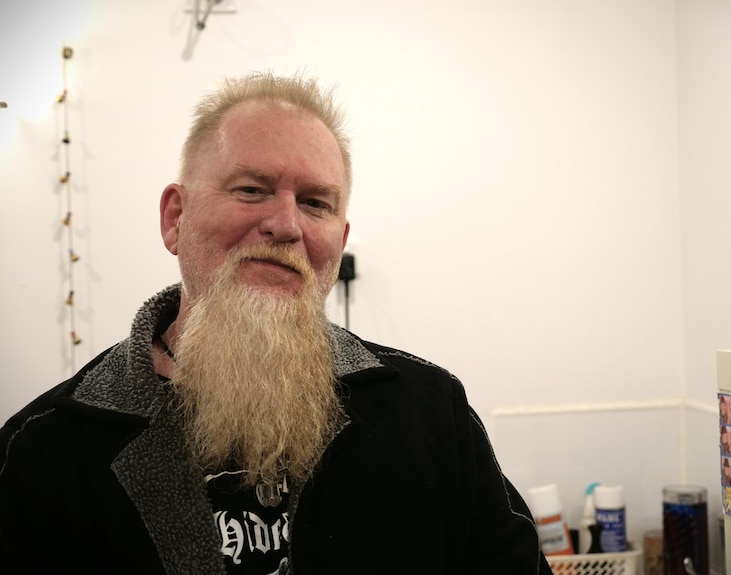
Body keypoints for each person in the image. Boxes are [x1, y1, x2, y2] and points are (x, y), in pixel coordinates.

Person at [0, 72, 552, 575]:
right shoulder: (44, 450)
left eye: (315, 202)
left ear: (338, 237)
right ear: (175, 218)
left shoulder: (432, 414)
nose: (286, 224)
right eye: (251, 189)